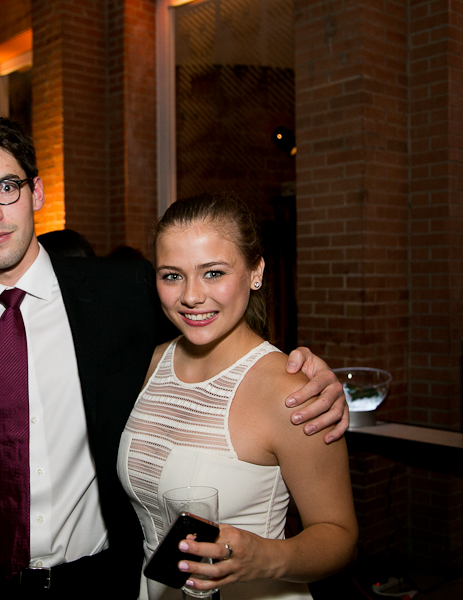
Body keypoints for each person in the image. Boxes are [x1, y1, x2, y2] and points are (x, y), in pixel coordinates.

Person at [0, 114, 348, 599]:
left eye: (6, 187)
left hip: (104, 583)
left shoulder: (123, 295)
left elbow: (217, 336)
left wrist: (307, 370)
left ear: (36, 191)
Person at [119, 192, 358, 600]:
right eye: (172, 276)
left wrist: (265, 558)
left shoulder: (292, 391)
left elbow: (340, 536)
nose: (191, 296)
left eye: (213, 273)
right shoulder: (146, 366)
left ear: (255, 271)